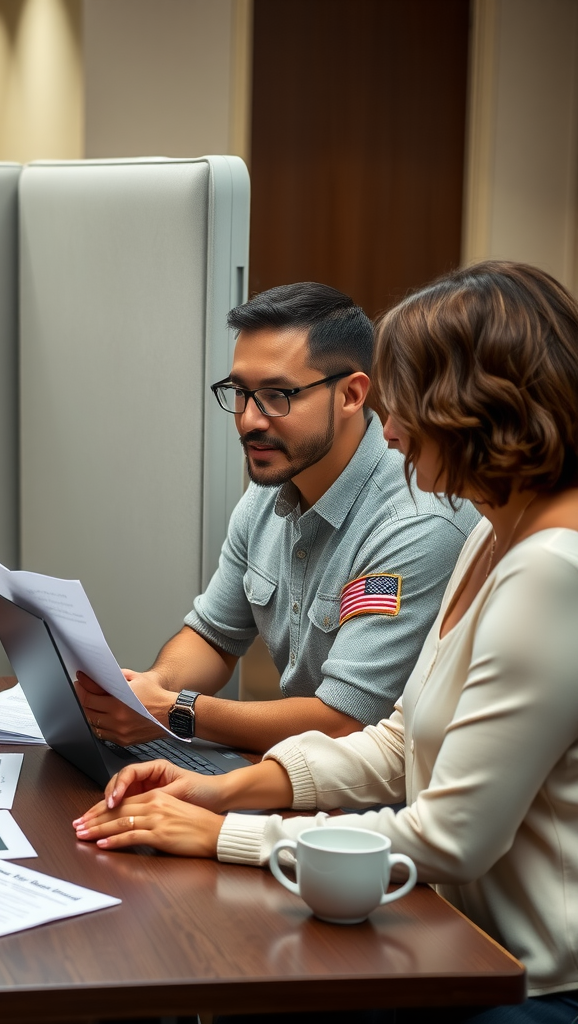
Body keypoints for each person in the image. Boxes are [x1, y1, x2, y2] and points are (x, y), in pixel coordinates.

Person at [75, 261, 578, 1021]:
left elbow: (450, 838)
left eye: (411, 404)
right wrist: (218, 790)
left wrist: (226, 834)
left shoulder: (549, 569)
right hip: (457, 938)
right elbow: (396, 742)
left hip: (526, 981)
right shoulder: (496, 530)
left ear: (482, 408)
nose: (395, 429)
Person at [77, 283, 478, 753]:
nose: (249, 420)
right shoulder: (268, 494)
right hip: (300, 780)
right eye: (240, 393)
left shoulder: (414, 522)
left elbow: (346, 721)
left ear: (351, 394)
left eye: (277, 395)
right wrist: (150, 689)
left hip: (378, 803)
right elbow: (214, 637)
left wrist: (174, 710)